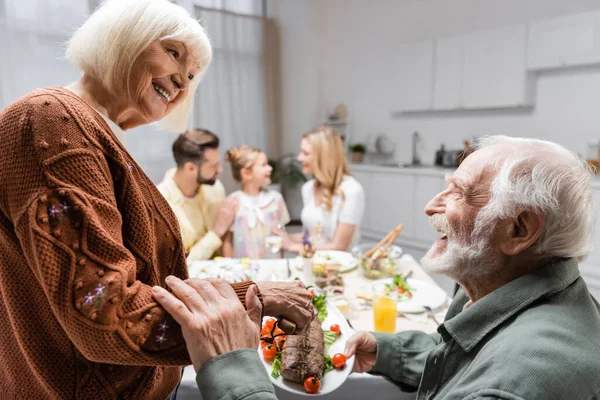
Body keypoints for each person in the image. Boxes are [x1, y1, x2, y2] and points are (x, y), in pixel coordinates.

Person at [0, 1, 312, 398]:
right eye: (173, 52)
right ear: (120, 38)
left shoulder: (93, 130)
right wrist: (256, 299)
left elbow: (149, 283)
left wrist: (246, 296)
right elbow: (105, 310)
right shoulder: (53, 119)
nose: (183, 80)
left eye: (192, 75)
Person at [345, 136, 600, 399]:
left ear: (519, 229)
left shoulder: (508, 385)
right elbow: (460, 355)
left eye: (459, 193)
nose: (431, 207)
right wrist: (382, 351)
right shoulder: (493, 282)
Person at [281, 125, 365, 252]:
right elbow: (313, 236)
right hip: (313, 264)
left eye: (305, 153)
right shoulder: (308, 188)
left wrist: (293, 247)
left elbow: (340, 247)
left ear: (323, 157)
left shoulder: (351, 191)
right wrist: (286, 237)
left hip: (339, 267)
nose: (299, 158)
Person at [157, 129, 239, 260]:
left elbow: (226, 240)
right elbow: (178, 265)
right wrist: (216, 232)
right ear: (190, 168)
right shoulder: (161, 203)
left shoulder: (215, 187)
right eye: (214, 165)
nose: (220, 169)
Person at [222, 145, 290, 258]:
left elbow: (281, 236)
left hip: (272, 268)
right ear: (246, 173)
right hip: (244, 270)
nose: (270, 168)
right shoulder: (233, 202)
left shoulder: (275, 199)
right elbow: (227, 241)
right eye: (264, 165)